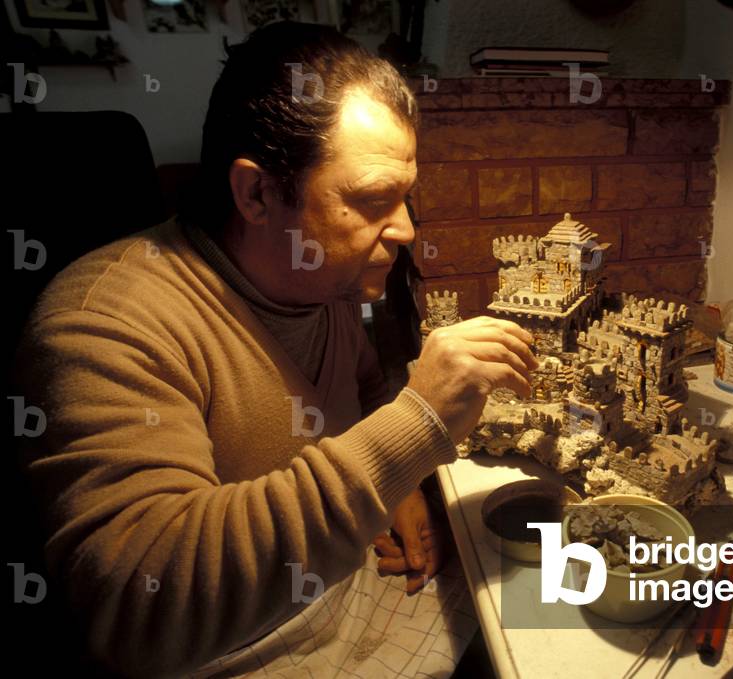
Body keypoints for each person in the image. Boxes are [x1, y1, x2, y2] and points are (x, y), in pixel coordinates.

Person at [14, 21, 537, 678]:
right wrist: (417, 426)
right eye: (374, 200)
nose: (404, 229)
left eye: (404, 198)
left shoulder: (326, 277)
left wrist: (398, 488)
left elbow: (366, 382)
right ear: (258, 193)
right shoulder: (104, 322)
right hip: (240, 647)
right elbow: (137, 606)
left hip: (349, 588)